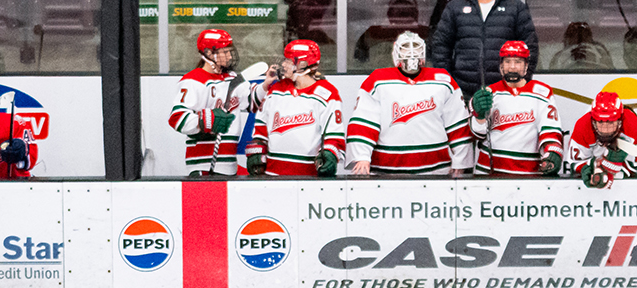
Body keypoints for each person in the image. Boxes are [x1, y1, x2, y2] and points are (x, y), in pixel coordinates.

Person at [348, 32, 471, 177]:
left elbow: (458, 123)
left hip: (436, 172)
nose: (411, 54)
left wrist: (461, 161)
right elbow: (364, 122)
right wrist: (362, 156)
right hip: (385, 172)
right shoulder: (377, 81)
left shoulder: (443, 81)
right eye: (406, 49)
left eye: (416, 49)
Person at [167, 28, 257, 176]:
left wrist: (266, 85)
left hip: (229, 165)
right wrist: (205, 120)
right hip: (203, 166)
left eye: (230, 51)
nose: (229, 56)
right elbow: (177, 118)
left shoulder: (232, 78)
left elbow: (253, 102)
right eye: (225, 52)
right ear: (209, 53)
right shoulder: (193, 80)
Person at [249, 40, 344, 177]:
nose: (284, 64)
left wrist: (330, 154)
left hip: (308, 177)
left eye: (289, 61)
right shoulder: (276, 89)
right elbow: (261, 127)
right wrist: (257, 150)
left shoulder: (327, 94)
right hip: (272, 174)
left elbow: (334, 135)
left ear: (303, 64)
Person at [468, 39, 561, 175]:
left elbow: (550, 131)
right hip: (489, 173)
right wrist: (480, 116)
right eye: (507, 62)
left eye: (518, 62)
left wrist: (552, 152)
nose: (512, 67)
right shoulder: (488, 94)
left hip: (528, 174)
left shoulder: (542, 93)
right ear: (501, 65)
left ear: (526, 65)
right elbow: (478, 133)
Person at [426, 0, 538, 103]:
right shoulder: (455, 6)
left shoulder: (516, 7)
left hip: (505, 93)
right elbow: (440, 47)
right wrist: (449, 83)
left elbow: (530, 46)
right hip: (463, 93)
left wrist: (521, 80)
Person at [566, 88, 637, 187]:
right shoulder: (583, 126)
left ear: (620, 120)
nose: (605, 129)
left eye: (610, 122)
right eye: (601, 122)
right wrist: (591, 166)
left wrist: (614, 166)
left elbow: (633, 167)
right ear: (593, 120)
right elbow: (575, 164)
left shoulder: (632, 125)